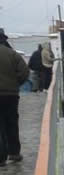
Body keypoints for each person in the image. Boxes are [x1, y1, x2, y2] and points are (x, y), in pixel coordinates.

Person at [0, 28, 29, 166]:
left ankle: (1, 158)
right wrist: (16, 83)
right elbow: (24, 71)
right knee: (11, 122)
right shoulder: (13, 54)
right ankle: (14, 153)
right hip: (11, 95)